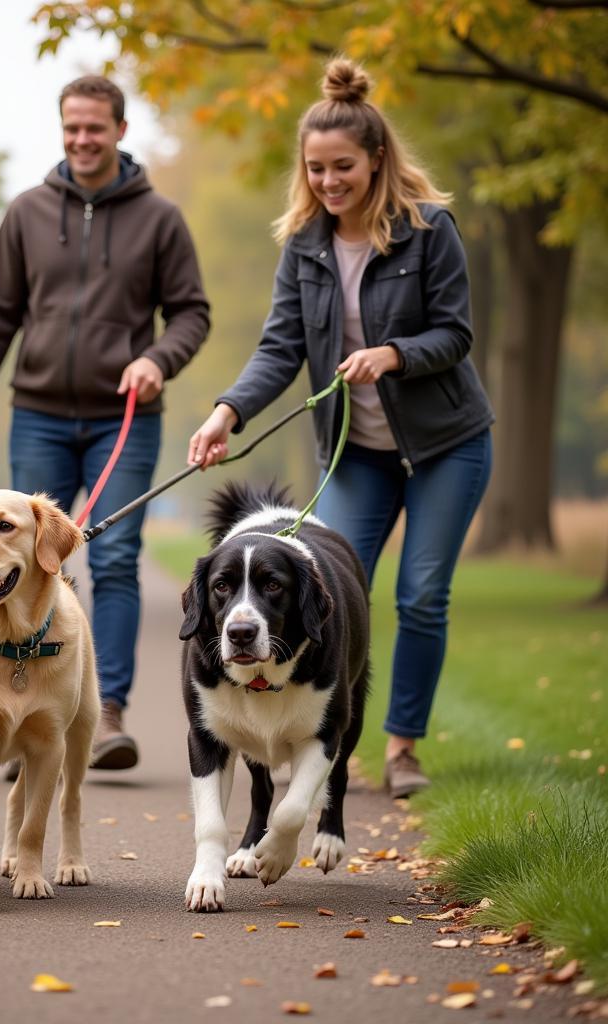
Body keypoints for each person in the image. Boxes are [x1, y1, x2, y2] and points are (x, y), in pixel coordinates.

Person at [188, 58, 493, 798]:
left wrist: (393, 353)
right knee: (330, 594)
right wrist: (229, 410)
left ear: (377, 159)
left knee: (421, 595)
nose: (330, 182)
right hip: (356, 454)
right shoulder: (304, 245)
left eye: (344, 167)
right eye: (317, 169)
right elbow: (280, 346)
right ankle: (328, 735)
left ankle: (402, 748)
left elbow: (455, 334)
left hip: (447, 444)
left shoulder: (429, 231)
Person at [0, 75, 210, 770]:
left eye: (96, 127)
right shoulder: (27, 212)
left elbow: (191, 313)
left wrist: (157, 359)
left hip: (126, 417)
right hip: (39, 416)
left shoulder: (160, 219)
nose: (83, 139)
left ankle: (106, 709)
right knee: (23, 560)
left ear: (120, 130)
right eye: (72, 127)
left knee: (114, 558)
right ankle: (14, 705)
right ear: (62, 131)